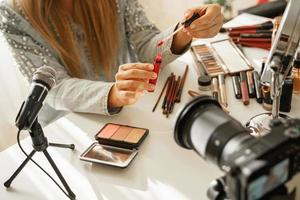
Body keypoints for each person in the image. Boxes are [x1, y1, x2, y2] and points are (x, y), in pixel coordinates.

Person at [0, 0, 223, 126]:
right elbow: (55, 87)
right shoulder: (11, 14)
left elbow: (145, 44)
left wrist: (187, 31)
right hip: (66, 125)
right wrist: (113, 94)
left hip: (128, 112)